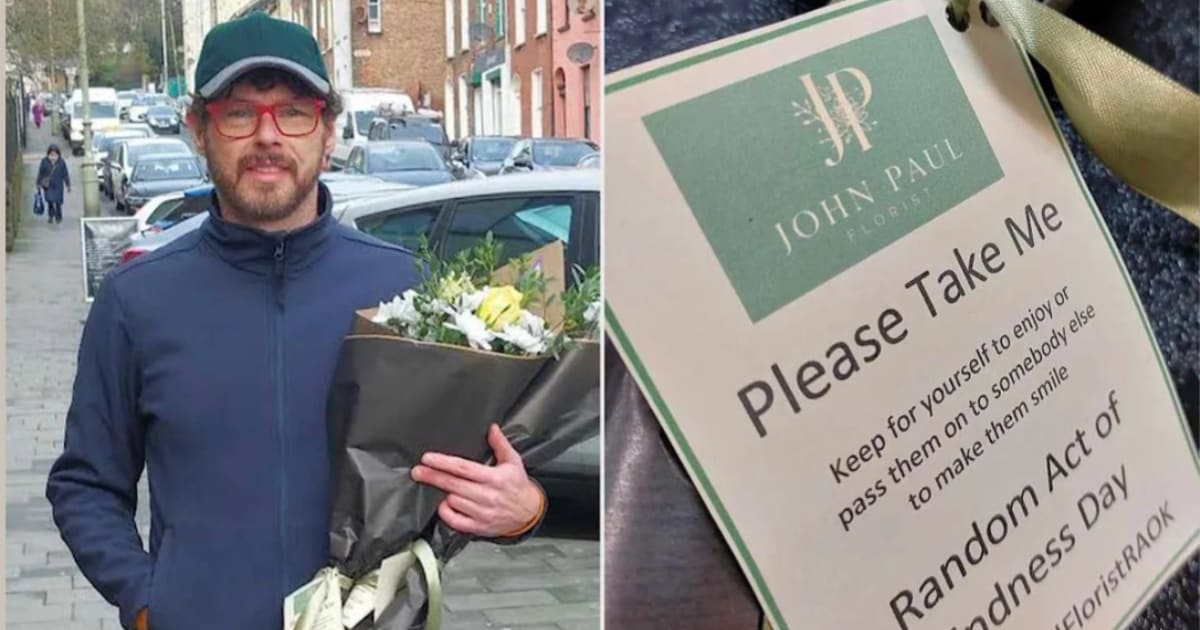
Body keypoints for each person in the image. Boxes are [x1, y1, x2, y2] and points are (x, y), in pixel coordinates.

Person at [45, 12, 546, 630]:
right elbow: (85, 484)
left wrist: (523, 509)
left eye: (295, 111)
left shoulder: (408, 292)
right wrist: (150, 602)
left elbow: (474, 471)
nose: (267, 136)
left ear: (328, 133)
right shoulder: (137, 301)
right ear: (199, 130)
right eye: (238, 113)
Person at [36, 144, 70, 224]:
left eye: (55, 155)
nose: (53, 157)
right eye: (51, 155)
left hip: (58, 185)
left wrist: (68, 185)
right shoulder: (44, 162)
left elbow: (65, 174)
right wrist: (38, 183)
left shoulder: (61, 162)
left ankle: (58, 216)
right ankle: (51, 216)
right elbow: (40, 173)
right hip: (48, 186)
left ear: (58, 154)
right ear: (48, 154)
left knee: (58, 202)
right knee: (50, 201)